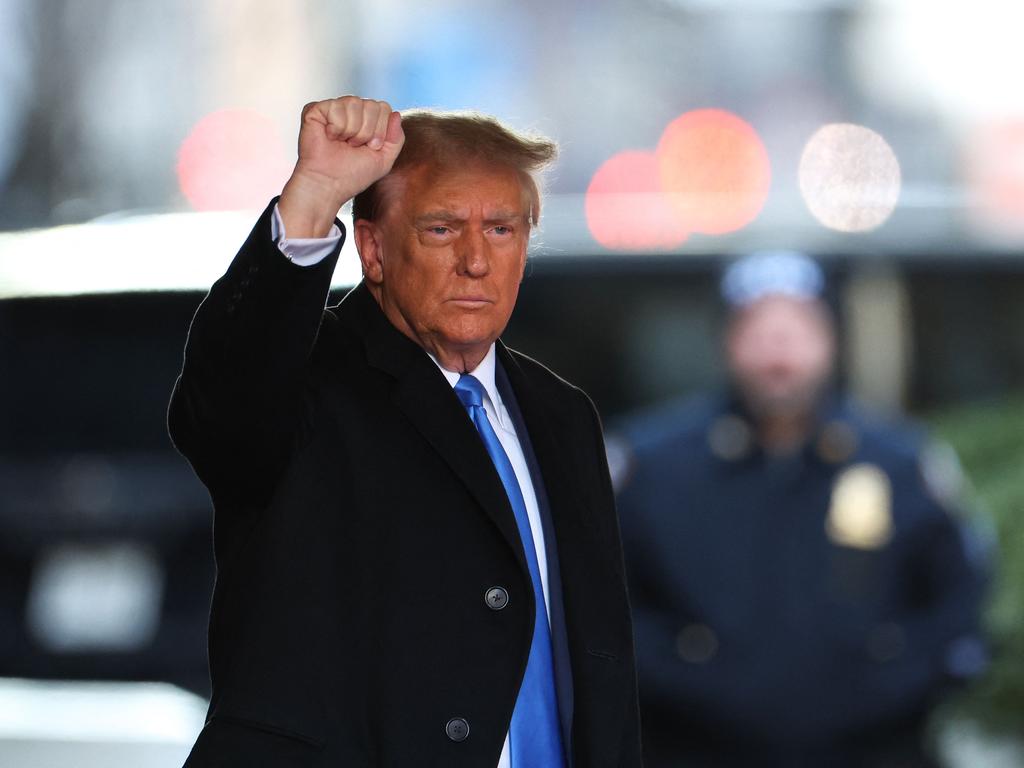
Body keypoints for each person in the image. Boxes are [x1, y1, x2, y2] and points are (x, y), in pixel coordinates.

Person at [168, 96, 641, 767]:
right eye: (443, 230)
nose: (477, 260)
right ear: (374, 249)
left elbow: (597, 663)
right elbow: (224, 399)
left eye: (502, 229)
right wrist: (315, 195)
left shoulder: (562, 413)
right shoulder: (307, 381)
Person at [613, 252, 989, 768]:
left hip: (875, 752)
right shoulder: (652, 465)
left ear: (831, 340)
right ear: (727, 341)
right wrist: (694, 681)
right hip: (694, 750)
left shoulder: (900, 461)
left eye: (797, 327)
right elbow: (605, 607)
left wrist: (884, 684)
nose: (778, 349)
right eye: (758, 328)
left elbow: (960, 602)